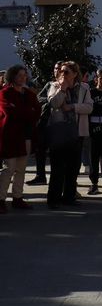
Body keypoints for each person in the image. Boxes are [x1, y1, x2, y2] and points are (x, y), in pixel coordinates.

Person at [41, 61, 93, 209]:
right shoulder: (55, 86)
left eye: (66, 72)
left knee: (73, 167)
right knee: (57, 168)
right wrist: (62, 88)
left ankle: (69, 197)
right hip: (59, 132)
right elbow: (54, 104)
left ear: (75, 74)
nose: (62, 74)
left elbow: (89, 107)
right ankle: (53, 199)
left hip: (77, 132)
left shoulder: (84, 88)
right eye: (61, 71)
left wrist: (72, 107)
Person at [0, 65, 41, 213]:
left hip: (26, 135)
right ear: (12, 77)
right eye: (19, 75)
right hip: (10, 136)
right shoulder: (5, 93)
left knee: (21, 169)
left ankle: (18, 197)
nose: (23, 78)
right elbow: (10, 113)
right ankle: (1, 199)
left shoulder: (29, 94)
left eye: (24, 75)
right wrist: (27, 112)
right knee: (8, 168)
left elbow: (37, 111)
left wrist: (24, 112)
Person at [27, 61, 63, 186]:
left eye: (59, 68)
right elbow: (39, 98)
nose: (57, 71)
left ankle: (58, 178)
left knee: (56, 154)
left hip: (59, 124)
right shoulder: (50, 85)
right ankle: (40, 175)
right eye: (55, 68)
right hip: (45, 122)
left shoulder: (67, 86)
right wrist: (49, 100)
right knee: (40, 150)